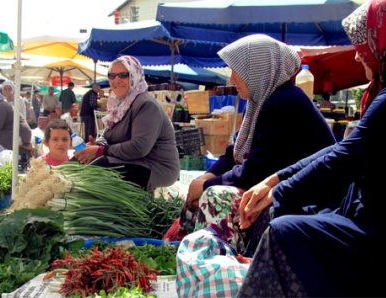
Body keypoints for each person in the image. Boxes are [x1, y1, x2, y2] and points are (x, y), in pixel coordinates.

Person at [237, 1, 386, 297]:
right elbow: (349, 147)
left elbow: (345, 157)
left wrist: (276, 191)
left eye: (365, 43)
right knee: (294, 216)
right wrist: (276, 181)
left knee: (285, 232)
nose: (358, 54)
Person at [170, 34, 337, 252]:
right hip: (279, 187)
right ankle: (184, 255)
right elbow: (234, 153)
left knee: (216, 196)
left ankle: (218, 265)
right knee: (199, 191)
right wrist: (205, 177)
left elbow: (256, 171)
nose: (231, 79)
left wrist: (206, 186)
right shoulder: (263, 101)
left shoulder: (284, 102)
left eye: (236, 71)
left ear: (257, 70)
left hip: (309, 197)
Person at [73, 55, 180, 192]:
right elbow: (107, 137)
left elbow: (139, 148)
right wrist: (97, 145)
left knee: (99, 167)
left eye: (123, 75)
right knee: (79, 161)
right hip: (131, 160)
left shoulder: (146, 105)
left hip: (155, 167)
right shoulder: (118, 104)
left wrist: (101, 151)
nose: (116, 80)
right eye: (112, 76)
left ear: (135, 76)